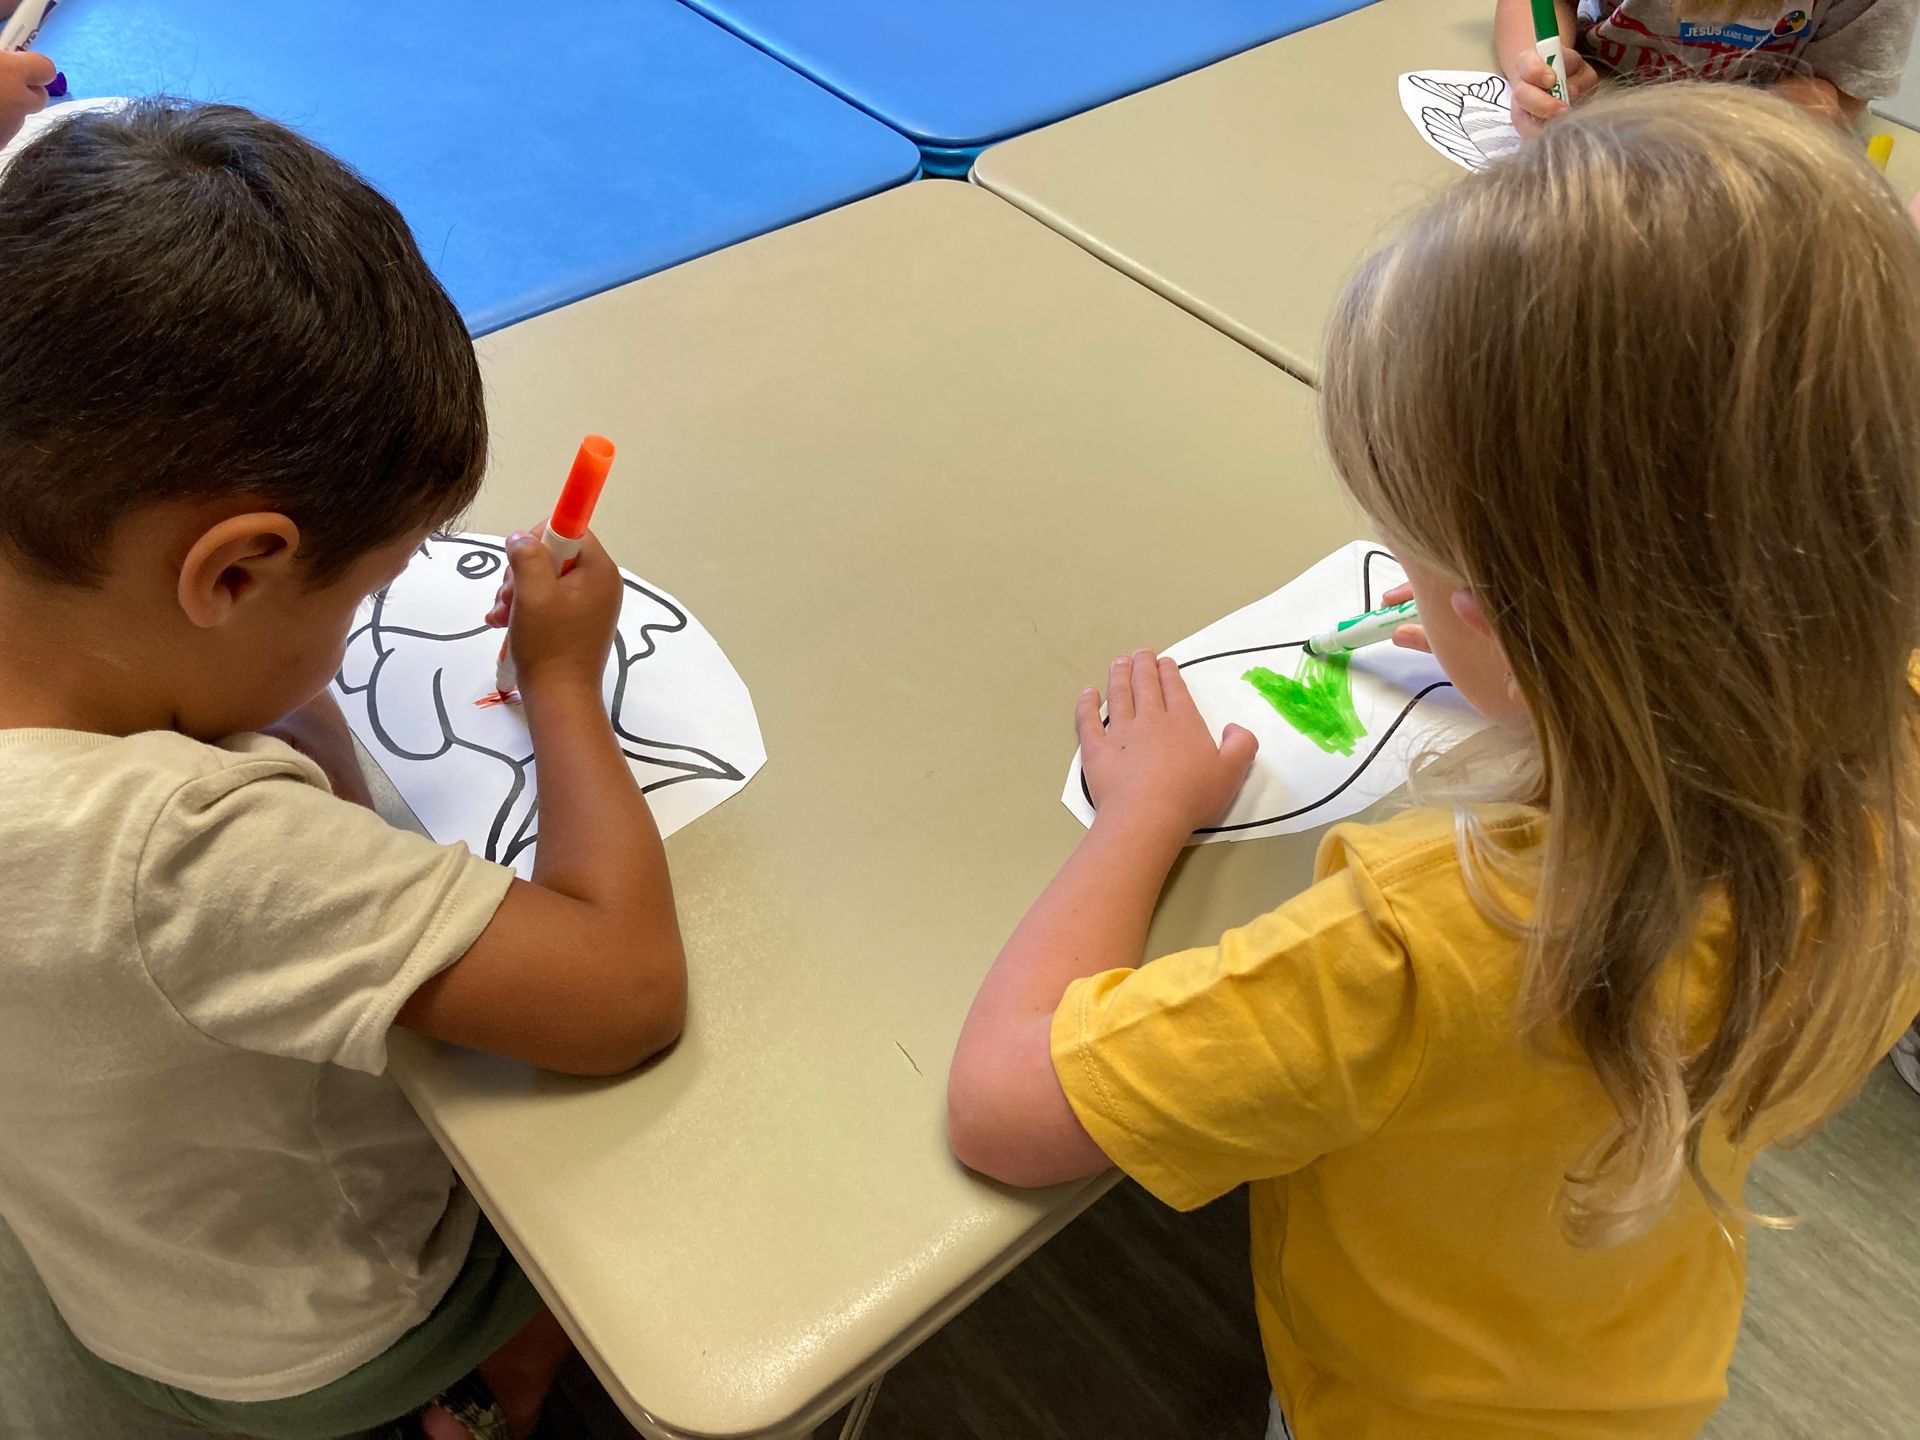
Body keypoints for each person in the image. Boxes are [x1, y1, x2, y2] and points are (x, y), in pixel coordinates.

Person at [947, 85, 1920, 1439]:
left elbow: (1005, 1110)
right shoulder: (1887, 744)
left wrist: (1143, 816)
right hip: (1647, 1346)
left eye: (1422, 557)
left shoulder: (1435, 942)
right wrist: (1549, 687)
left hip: (1395, 1406)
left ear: (1519, 625)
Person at [0, 100, 688, 1440]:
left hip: (99, 1234)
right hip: (315, 1332)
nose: (357, 632)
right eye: (363, 595)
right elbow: (625, 993)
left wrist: (275, 663)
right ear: (234, 573)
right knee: (597, 1186)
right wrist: (561, 684)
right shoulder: (172, 853)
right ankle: (487, 1390)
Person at [1497, 0, 1918, 135]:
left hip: (1755, 130)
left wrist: (1746, 137)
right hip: (1600, 91)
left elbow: (1840, 84)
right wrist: (1536, 69)